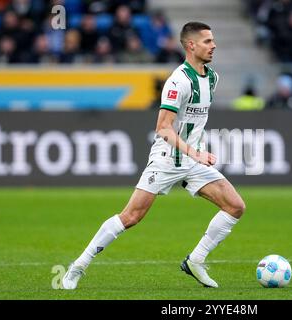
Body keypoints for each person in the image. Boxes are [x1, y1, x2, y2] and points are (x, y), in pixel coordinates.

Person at [62, 22, 246, 290]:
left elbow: (193, 121)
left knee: (235, 206)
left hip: (193, 161)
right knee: (131, 217)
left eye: (213, 40)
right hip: (168, 158)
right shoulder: (178, 81)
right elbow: (162, 127)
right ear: (190, 45)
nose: (213, 45)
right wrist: (195, 152)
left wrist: (196, 152)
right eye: (207, 41)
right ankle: (78, 265)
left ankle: (195, 260)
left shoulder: (212, 78)